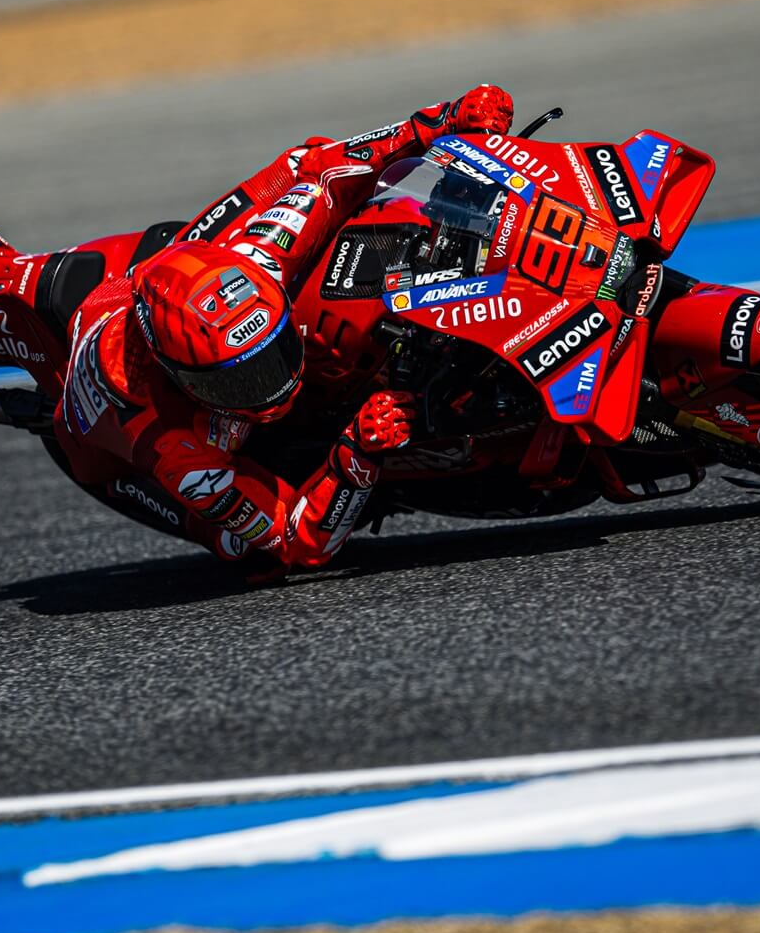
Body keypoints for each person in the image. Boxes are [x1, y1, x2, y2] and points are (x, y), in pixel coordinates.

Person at [51, 84, 515, 579]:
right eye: (241, 380)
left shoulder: (262, 256)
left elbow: (323, 170)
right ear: (185, 380)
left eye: (274, 351)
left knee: (330, 187)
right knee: (252, 556)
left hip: (165, 268)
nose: (277, 386)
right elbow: (301, 545)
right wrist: (356, 453)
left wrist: (443, 120)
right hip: (107, 452)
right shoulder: (177, 454)